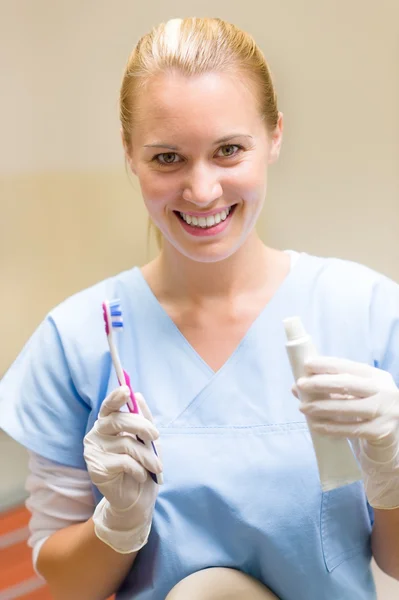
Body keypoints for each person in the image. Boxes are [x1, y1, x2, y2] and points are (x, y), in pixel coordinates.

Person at [1, 15, 399, 600]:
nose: (203, 190)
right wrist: (118, 524)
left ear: (276, 136)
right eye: (168, 158)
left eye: (229, 150)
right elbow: (67, 583)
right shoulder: (76, 340)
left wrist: (393, 474)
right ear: (129, 153)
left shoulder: (366, 312)